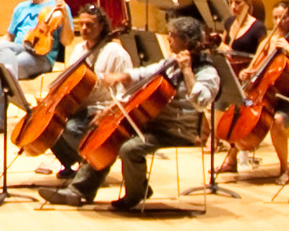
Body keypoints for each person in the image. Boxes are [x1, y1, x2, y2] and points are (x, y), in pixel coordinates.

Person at [40, 14, 214, 212]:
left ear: (186, 42)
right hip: (152, 122)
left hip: (177, 129)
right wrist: (122, 76)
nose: (168, 39)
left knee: (129, 148)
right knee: (107, 134)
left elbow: (202, 102)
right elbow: (148, 72)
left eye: (172, 36)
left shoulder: (207, 72)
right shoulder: (171, 63)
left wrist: (188, 72)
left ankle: (136, 193)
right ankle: (78, 191)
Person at [36, 4, 134, 187]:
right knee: (47, 127)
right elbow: (70, 82)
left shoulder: (116, 53)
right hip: (78, 106)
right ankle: (73, 165)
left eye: (90, 25)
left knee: (71, 129)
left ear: (102, 26)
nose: (84, 29)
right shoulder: (79, 49)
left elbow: (127, 92)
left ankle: (92, 166)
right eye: (82, 24)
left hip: (101, 110)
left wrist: (109, 110)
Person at [219, 0, 289, 179]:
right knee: (240, 110)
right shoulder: (269, 41)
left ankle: (284, 169)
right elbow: (254, 68)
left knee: (277, 121)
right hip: (268, 96)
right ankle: (231, 161)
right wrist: (248, 72)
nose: (278, 23)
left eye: (283, 18)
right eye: (275, 18)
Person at [0, 0, 70, 135]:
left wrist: (65, 17)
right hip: (19, 48)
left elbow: (67, 40)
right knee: (1, 48)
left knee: (3, 70)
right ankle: (16, 94)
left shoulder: (58, 8)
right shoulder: (21, 8)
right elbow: (9, 36)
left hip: (41, 55)